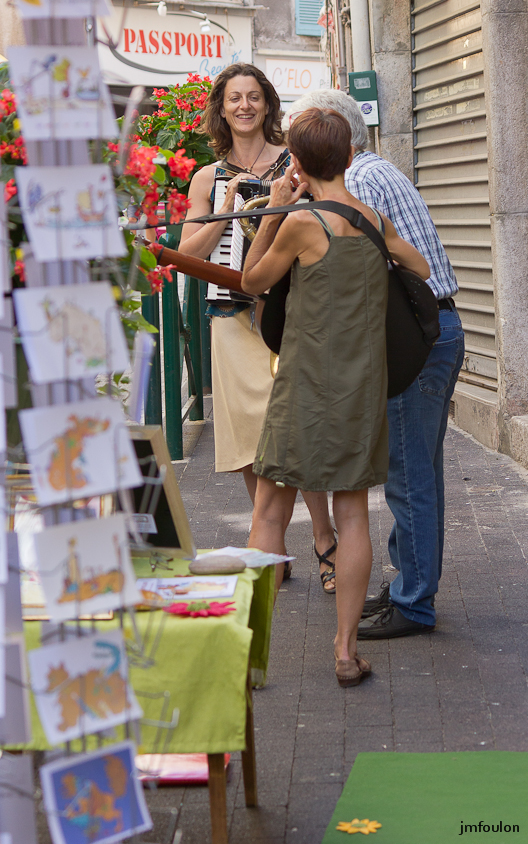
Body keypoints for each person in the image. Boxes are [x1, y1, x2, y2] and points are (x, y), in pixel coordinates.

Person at [241, 108, 430, 685]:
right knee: (353, 517)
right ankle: (346, 653)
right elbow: (419, 268)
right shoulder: (371, 218)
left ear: (295, 163)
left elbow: (252, 280)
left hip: (302, 388)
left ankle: (251, 657)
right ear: (350, 157)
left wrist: (276, 210)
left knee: (270, 511)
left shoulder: (303, 223)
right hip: (358, 391)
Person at [282, 90, 465, 638]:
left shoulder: (352, 188)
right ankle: (411, 584)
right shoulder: (376, 171)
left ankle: (414, 603)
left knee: (409, 478)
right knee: (417, 472)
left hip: (415, 339)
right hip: (433, 330)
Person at [179, 64, 338, 588]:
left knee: (297, 432)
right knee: (250, 436)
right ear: (221, 109)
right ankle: (272, 547)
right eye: (233, 99)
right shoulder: (207, 177)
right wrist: (224, 207)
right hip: (230, 315)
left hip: (287, 314)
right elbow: (186, 254)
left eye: (253, 97)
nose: (244, 106)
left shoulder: (295, 165)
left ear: (268, 105)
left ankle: (324, 537)